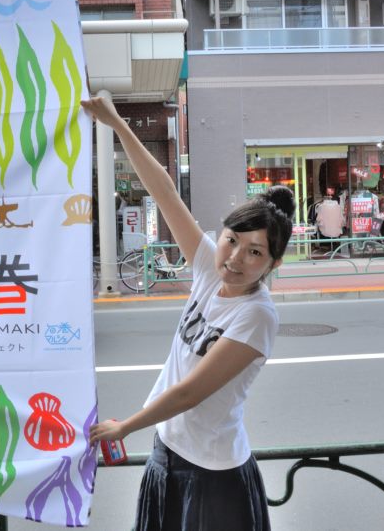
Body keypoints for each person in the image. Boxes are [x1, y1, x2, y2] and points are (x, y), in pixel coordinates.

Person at [83, 95, 291, 531]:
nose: (235, 258)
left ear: (273, 264)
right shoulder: (210, 269)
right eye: (232, 240)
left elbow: (189, 394)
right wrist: (116, 123)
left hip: (212, 474)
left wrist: (125, 428)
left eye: (255, 252)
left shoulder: (257, 315)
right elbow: (163, 191)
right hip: (169, 450)